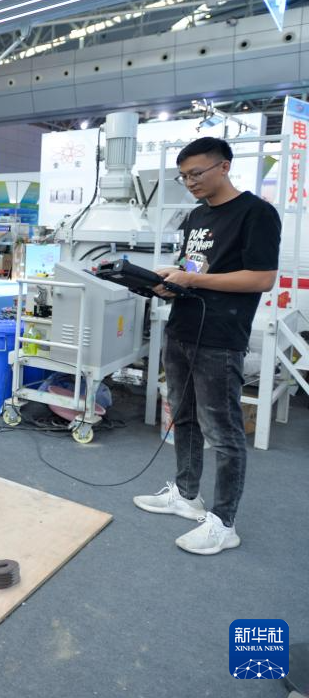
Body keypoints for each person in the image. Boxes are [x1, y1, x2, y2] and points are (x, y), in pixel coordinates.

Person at [133, 137, 280, 555]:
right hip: (183, 328)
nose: (190, 182)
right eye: (183, 177)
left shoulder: (256, 213)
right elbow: (195, 267)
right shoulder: (195, 216)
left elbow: (261, 278)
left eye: (196, 173)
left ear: (224, 166)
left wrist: (193, 279)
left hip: (220, 336)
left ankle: (224, 522)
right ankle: (186, 494)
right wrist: (171, 281)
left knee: (223, 431)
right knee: (184, 417)